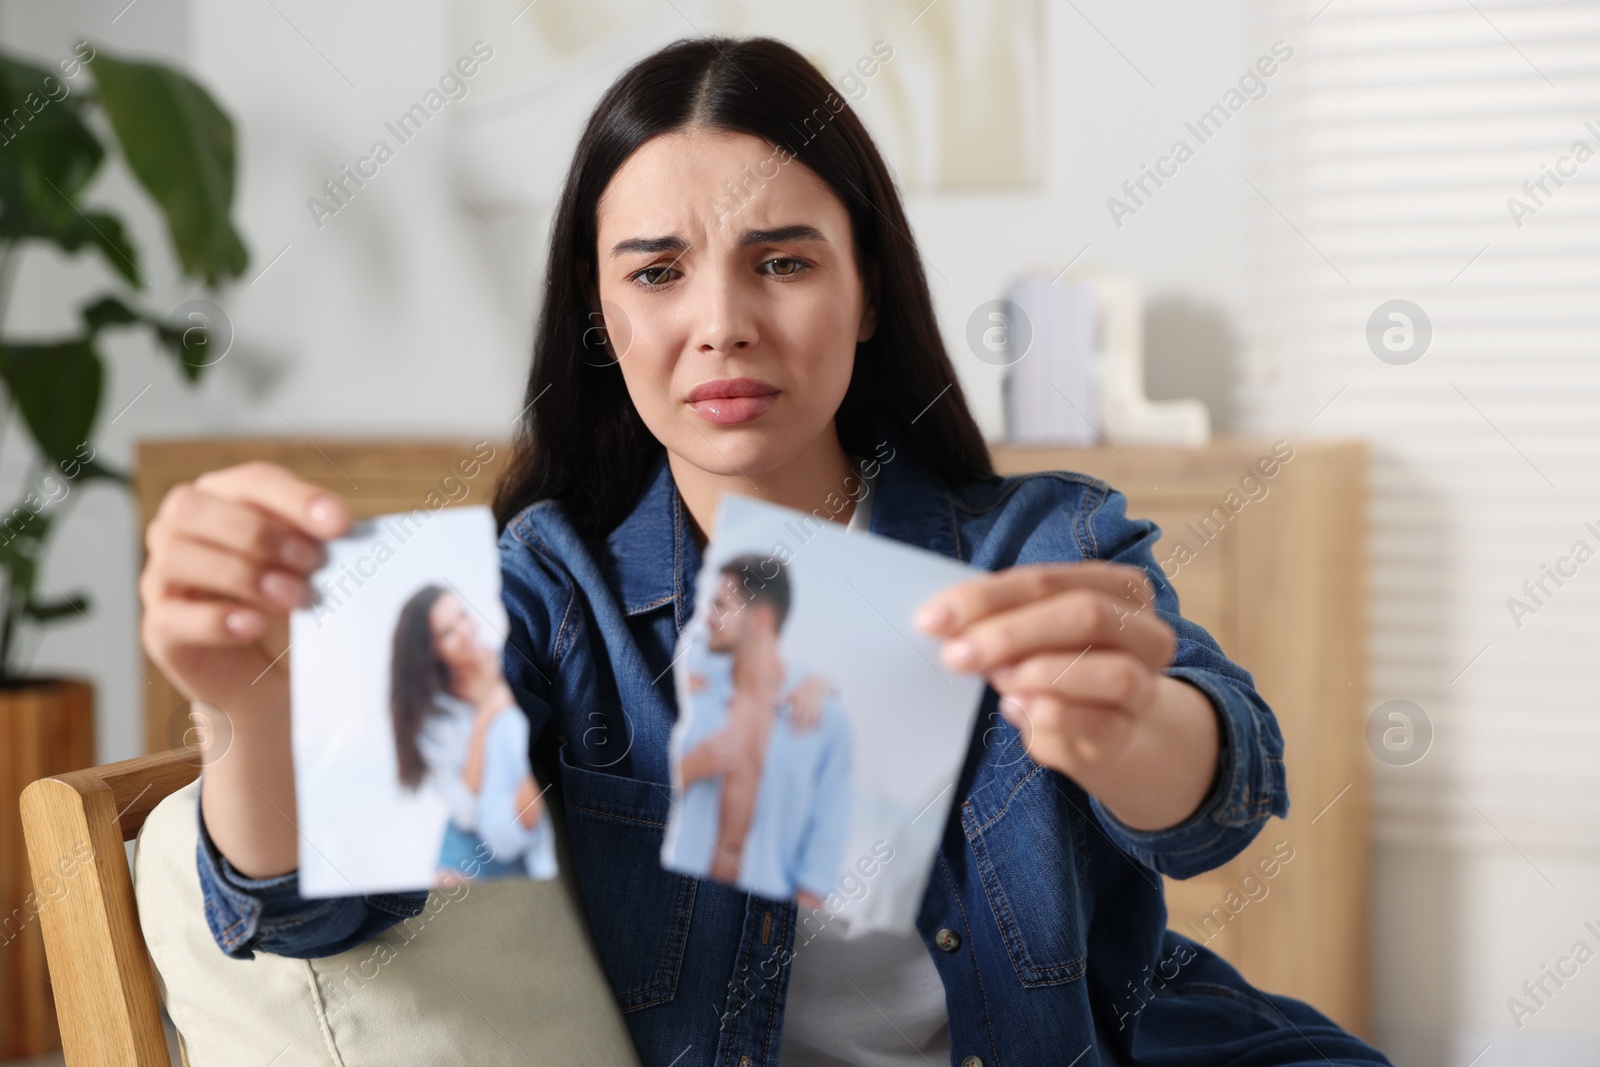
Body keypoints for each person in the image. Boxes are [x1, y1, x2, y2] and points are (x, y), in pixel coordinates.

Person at [137, 34, 1392, 1067]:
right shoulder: (543, 588)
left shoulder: (1037, 536)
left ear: (868, 292)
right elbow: (312, 910)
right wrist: (242, 702)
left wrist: (1135, 734)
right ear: (600, 317)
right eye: (658, 272)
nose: (721, 324)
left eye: (782, 261)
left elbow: (1223, 803)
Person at [664, 555, 853, 910]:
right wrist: (690, 768)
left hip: (769, 907)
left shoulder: (822, 719)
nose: (709, 617)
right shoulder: (699, 685)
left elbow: (831, 820)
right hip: (680, 897)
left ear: (760, 619)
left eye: (721, 605)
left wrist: (822, 684)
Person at [388, 584, 557, 883]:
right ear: (429, 651)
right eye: (447, 633)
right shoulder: (430, 722)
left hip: (517, 836)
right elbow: (465, 811)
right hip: (470, 852)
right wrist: (485, 716)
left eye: (463, 616)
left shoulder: (500, 655)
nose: (465, 631)